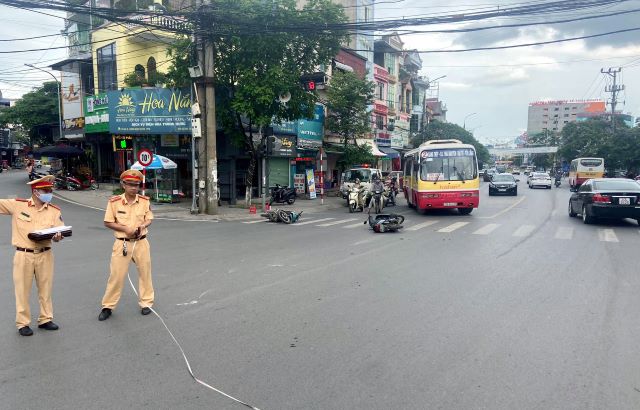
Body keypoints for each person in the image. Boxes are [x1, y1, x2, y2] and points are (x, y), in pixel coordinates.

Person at [0, 175, 64, 336]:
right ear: (36, 192)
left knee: (45, 289)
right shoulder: (18, 205)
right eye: (46, 190)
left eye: (51, 190)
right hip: (24, 254)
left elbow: (60, 231)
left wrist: (58, 236)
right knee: (22, 290)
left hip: (45, 254)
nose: (50, 193)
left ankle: (45, 319)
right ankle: (23, 323)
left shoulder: (54, 211)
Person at [98, 170, 155, 321]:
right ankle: (108, 306)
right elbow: (108, 222)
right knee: (116, 275)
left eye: (136, 185)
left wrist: (142, 226)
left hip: (141, 242)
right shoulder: (114, 202)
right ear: (123, 184)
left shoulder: (144, 201)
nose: (133, 188)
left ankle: (146, 303)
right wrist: (125, 229)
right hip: (122, 243)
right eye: (130, 184)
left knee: (145, 274)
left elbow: (149, 218)